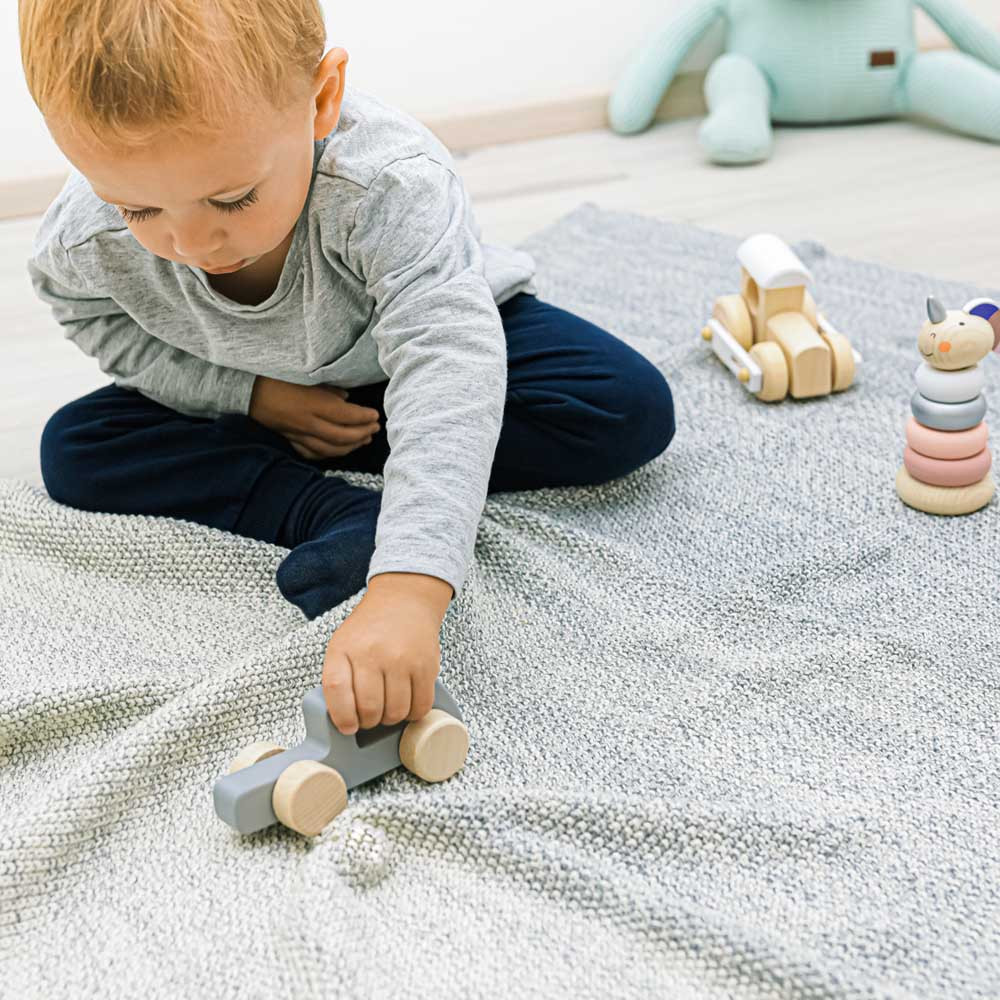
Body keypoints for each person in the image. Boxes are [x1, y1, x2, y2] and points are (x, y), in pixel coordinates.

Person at [18, 0, 675, 737]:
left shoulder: (388, 183)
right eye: (138, 210)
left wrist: (409, 588)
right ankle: (334, 511)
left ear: (322, 98)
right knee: (76, 447)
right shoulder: (82, 239)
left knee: (624, 406)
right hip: (258, 391)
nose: (193, 243)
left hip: (411, 352)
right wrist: (252, 396)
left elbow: (448, 357)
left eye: (233, 198)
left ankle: (403, 464)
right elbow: (95, 321)